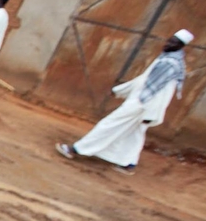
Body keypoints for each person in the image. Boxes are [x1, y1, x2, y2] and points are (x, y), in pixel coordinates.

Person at [57, 30, 192, 175]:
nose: (168, 43)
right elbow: (143, 80)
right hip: (144, 104)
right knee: (135, 133)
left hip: (142, 104)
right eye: (169, 40)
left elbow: (159, 92)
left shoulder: (169, 64)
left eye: (173, 42)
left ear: (180, 46)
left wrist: (150, 112)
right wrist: (119, 91)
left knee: (109, 124)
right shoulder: (167, 60)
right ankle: (129, 164)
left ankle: (76, 150)